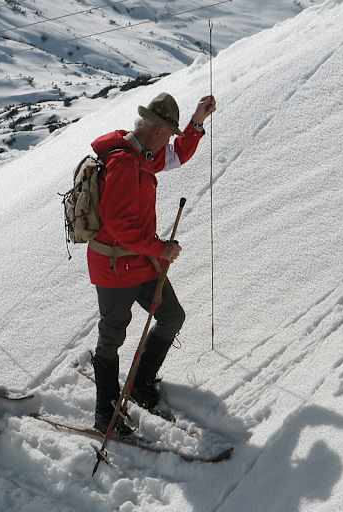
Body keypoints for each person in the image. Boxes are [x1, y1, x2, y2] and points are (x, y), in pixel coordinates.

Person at [87, 92, 216, 435]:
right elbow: (118, 225)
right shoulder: (123, 163)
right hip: (114, 266)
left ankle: (139, 385)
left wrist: (197, 122)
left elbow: (178, 155)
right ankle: (106, 414)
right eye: (169, 133)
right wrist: (160, 249)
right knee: (111, 337)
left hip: (140, 262)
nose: (170, 140)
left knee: (171, 315)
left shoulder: (144, 155)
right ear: (157, 129)